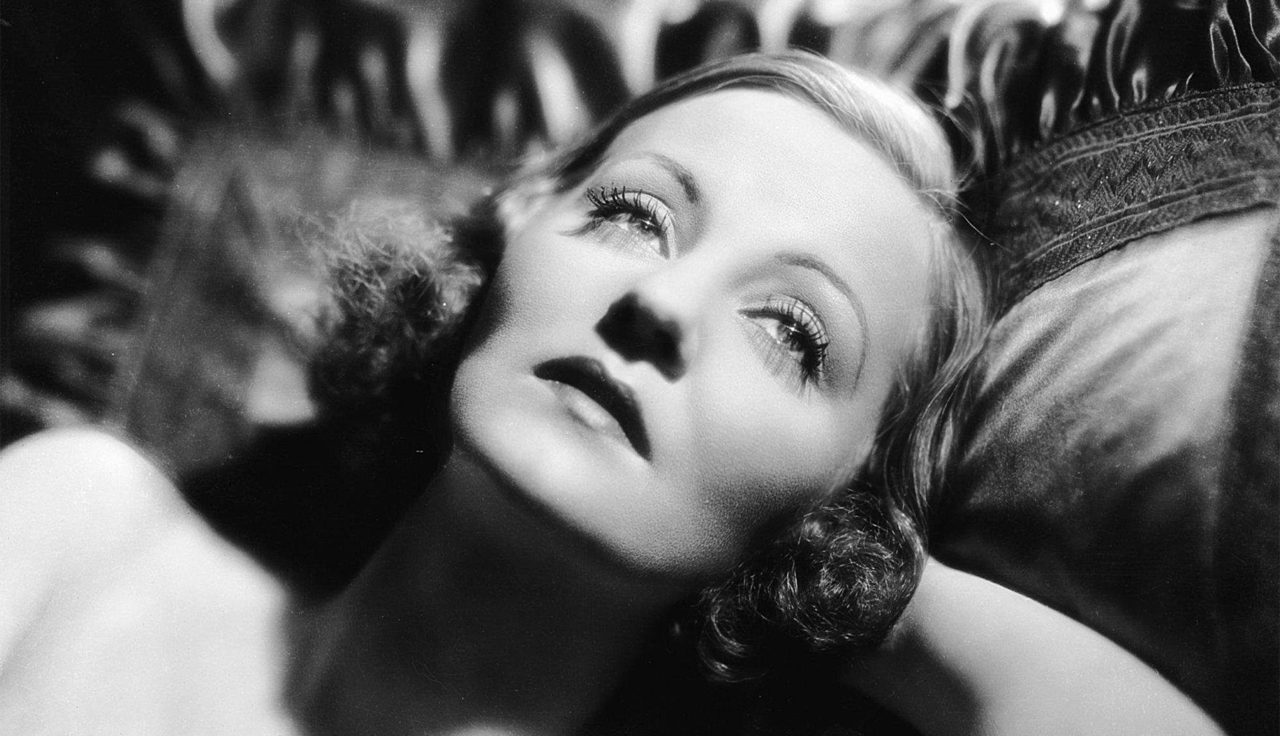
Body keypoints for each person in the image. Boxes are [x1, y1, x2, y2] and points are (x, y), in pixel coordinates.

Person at [0, 51, 1223, 736]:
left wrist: (858, 580)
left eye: (791, 333)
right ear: (517, 224)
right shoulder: (83, 531)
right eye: (638, 216)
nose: (663, 304)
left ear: (844, 487)